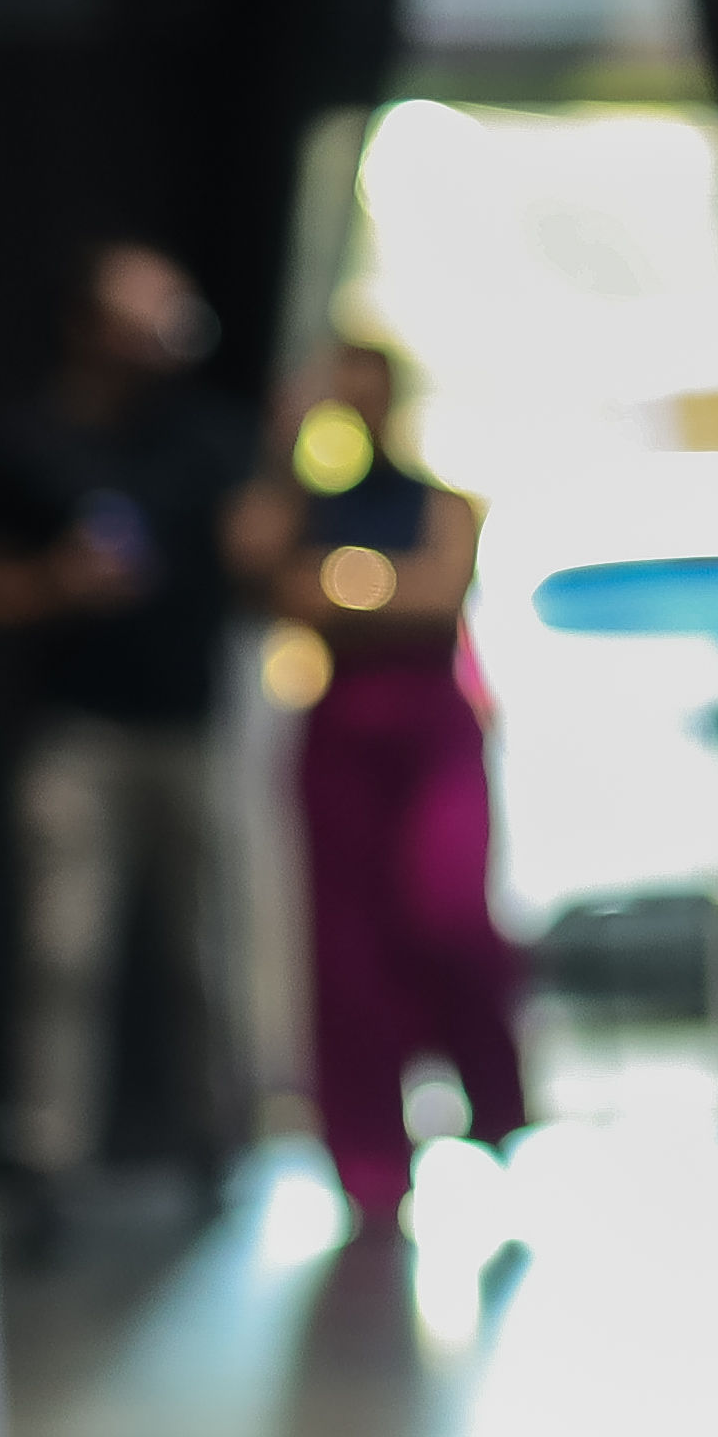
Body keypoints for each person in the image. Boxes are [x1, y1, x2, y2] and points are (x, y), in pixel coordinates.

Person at [0, 243, 270, 1216]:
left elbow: (264, 564)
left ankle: (217, 1146)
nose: (165, 321)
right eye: (143, 304)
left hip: (193, 725)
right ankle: (49, 1162)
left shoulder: (214, 437)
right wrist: (55, 584)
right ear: (90, 324)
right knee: (64, 950)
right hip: (79, 730)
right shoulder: (30, 439)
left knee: (208, 951)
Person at [248, 337, 523, 1228]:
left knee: (449, 914)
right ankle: (370, 1158)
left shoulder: (439, 501)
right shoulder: (301, 506)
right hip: (340, 736)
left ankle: (497, 1113)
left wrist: (343, 588)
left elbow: (437, 594)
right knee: (347, 948)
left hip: (429, 729)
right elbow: (269, 578)